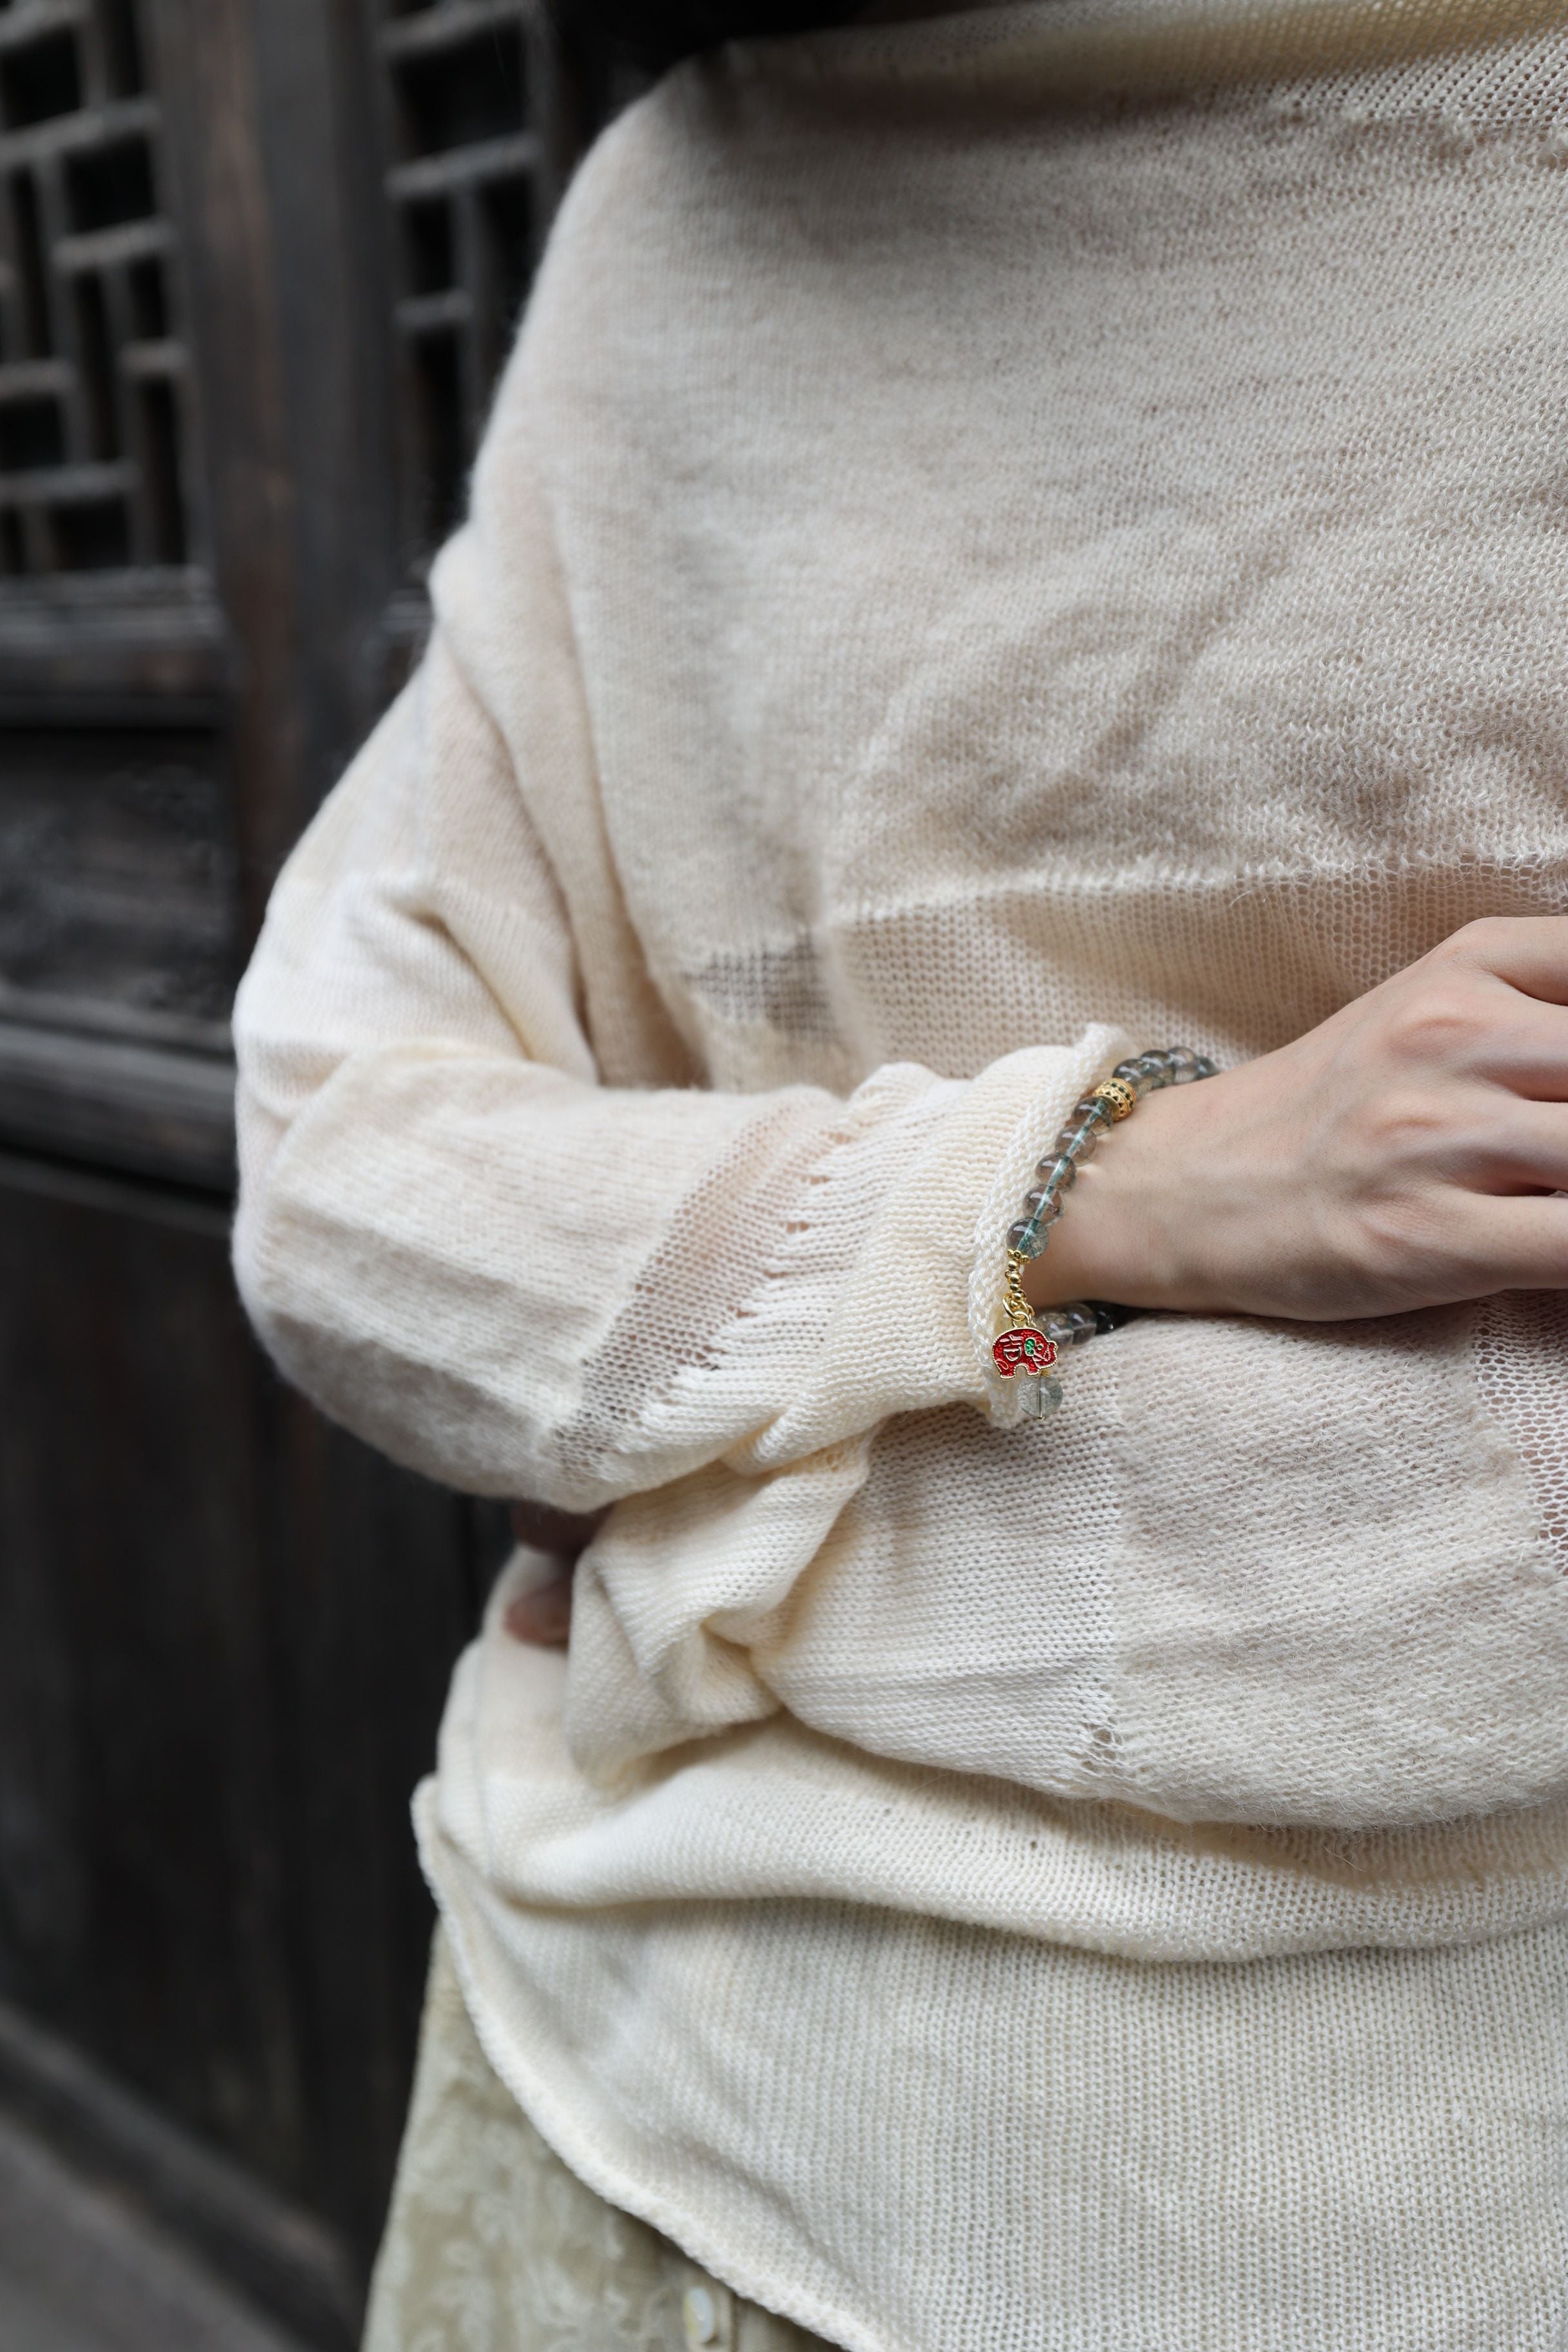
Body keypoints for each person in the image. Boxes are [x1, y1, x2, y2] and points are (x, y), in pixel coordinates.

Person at [231, 0, 1568, 2344]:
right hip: (625, 2070)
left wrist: (672, 1426)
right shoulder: (686, 206)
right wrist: (1099, 1188)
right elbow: (345, 1177)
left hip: (1415, 2182)